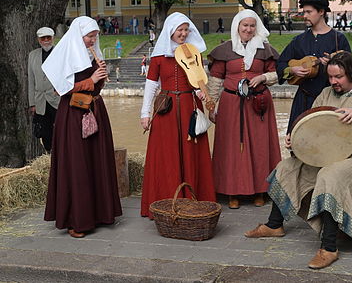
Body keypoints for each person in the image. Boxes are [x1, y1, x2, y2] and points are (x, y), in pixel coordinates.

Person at [245, 51, 352, 270]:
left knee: (329, 176)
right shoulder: (326, 94)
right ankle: (274, 225)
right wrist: (296, 141)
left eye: (339, 77)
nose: (333, 82)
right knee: (287, 167)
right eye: (330, 77)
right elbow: (311, 127)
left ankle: (329, 248)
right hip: (328, 156)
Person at [42, 16, 122, 238]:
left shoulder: (93, 55)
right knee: (77, 164)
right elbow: (62, 90)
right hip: (74, 115)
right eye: (89, 36)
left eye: (95, 36)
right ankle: (76, 219)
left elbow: (97, 88)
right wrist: (93, 79)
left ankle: (100, 214)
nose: (93, 40)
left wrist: (101, 78)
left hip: (96, 110)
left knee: (96, 161)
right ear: (78, 36)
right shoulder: (66, 55)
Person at [140, 12, 216, 218]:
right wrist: (145, 113)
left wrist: (204, 96)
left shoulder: (194, 54)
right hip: (166, 109)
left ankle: (192, 199)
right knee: (166, 155)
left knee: (191, 153)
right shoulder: (158, 58)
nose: (183, 34)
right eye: (179, 30)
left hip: (189, 107)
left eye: (185, 30)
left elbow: (198, 81)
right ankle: (165, 200)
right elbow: (150, 85)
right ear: (170, 31)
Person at [207, 9, 281, 209]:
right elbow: (215, 80)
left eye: (251, 25)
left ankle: (260, 190)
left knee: (259, 147)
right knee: (231, 149)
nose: (248, 29)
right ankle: (232, 192)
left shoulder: (265, 49)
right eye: (244, 25)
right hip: (231, 105)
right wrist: (211, 106)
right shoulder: (225, 49)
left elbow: (277, 74)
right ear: (237, 27)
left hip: (258, 105)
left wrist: (263, 77)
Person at [276, 0, 351, 135]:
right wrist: (292, 70)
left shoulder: (338, 39)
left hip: (331, 99)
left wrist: (332, 65)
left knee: (328, 140)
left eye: (309, 12)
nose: (305, 15)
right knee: (299, 139)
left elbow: (350, 69)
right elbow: (280, 64)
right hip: (303, 100)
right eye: (304, 12)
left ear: (321, 12)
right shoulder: (299, 40)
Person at [28, 27, 60, 152]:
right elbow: (31, 80)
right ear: (38, 40)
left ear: (53, 38)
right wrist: (32, 103)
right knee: (45, 133)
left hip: (57, 100)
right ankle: (49, 155)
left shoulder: (60, 52)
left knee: (60, 130)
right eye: (43, 38)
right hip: (40, 101)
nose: (46, 40)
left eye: (49, 38)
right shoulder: (32, 55)